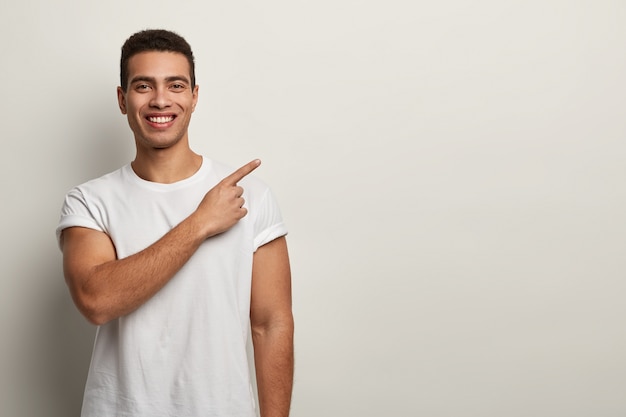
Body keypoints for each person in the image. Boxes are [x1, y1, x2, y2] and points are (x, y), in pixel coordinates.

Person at [56, 29, 294, 417]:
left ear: (194, 97)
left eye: (176, 85)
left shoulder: (251, 197)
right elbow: (96, 300)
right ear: (122, 99)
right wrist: (200, 222)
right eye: (143, 86)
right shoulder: (90, 201)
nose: (160, 100)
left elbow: (272, 325)